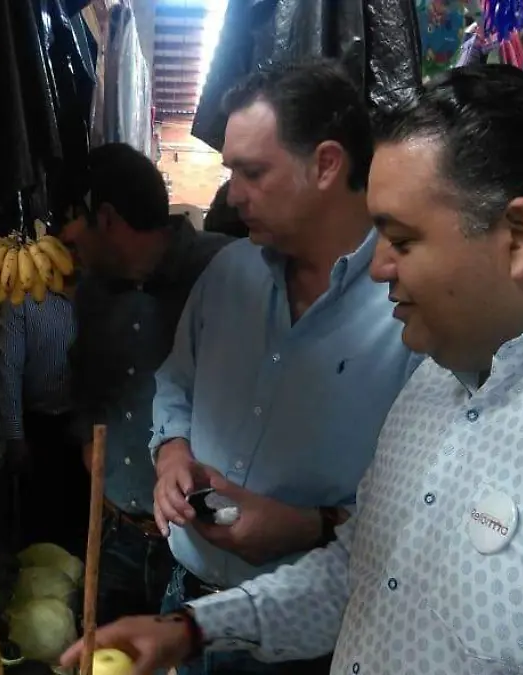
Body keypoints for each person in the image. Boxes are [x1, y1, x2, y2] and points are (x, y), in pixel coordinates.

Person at [62, 64, 523, 675]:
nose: (378, 267)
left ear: (519, 236)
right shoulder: (442, 385)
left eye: (403, 240)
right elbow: (369, 571)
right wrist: (197, 628)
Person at [145, 61, 422, 675]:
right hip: (185, 602)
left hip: (312, 641)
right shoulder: (226, 275)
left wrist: (310, 526)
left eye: (252, 172)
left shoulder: (411, 308)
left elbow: (425, 513)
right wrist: (172, 455)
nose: (232, 194)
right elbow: (175, 383)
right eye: (230, 172)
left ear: (326, 164)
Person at [58, 142, 231, 625]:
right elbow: (86, 379)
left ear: (107, 218)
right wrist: (86, 433)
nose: (67, 248)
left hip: (201, 547)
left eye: (74, 230)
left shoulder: (225, 272)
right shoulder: (91, 292)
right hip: (117, 532)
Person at [0, 289, 86, 555]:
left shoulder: (95, 293)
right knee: (40, 525)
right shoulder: (24, 302)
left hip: (87, 426)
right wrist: (14, 435)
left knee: (82, 520)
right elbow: (10, 371)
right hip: (40, 426)